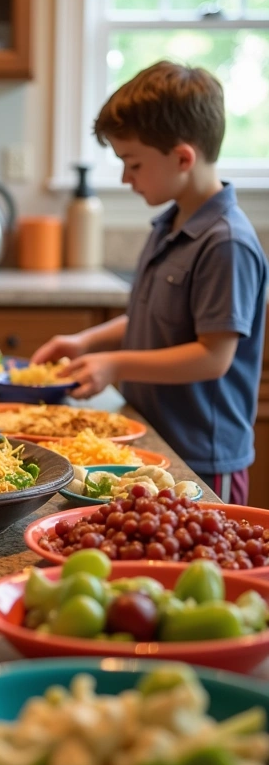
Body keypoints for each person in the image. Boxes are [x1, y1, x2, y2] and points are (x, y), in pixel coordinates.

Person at [33, 60, 268, 505]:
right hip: (159, 439)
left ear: (182, 158)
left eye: (133, 163)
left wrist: (116, 365)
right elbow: (149, 317)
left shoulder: (226, 243)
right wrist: (86, 342)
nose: (125, 178)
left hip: (203, 456)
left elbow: (212, 357)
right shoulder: (169, 225)